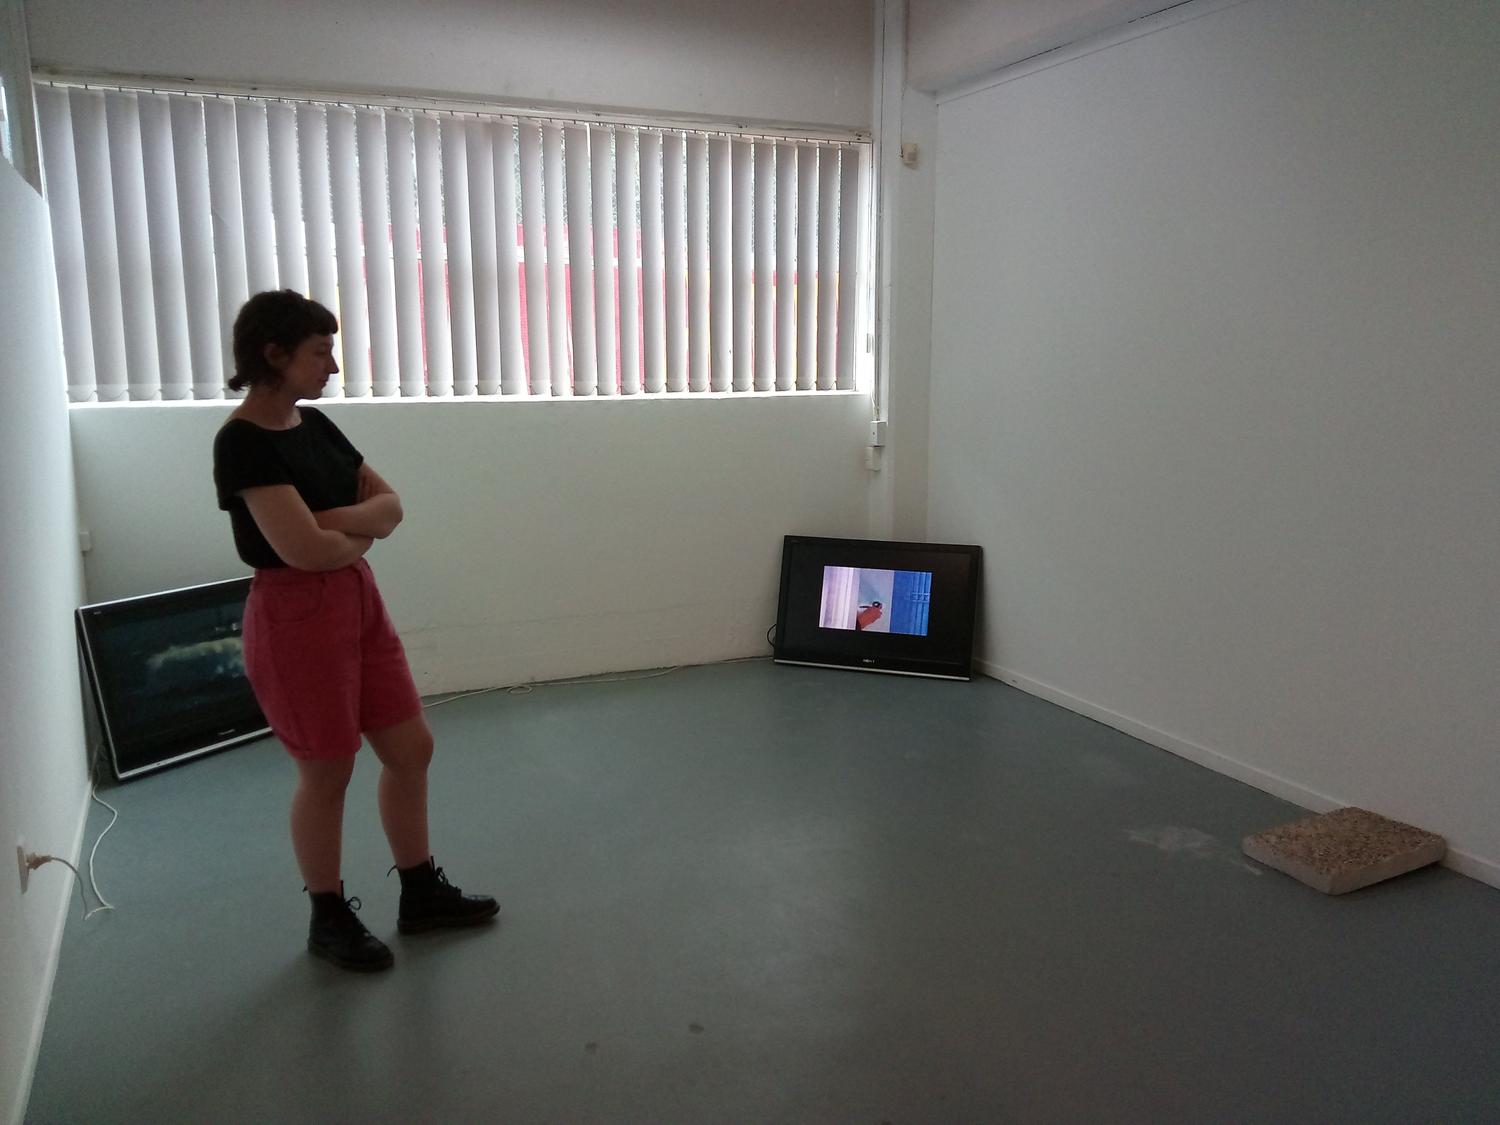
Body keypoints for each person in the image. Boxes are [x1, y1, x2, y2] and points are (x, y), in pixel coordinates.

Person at [212, 290, 497, 972]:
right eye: (319, 352)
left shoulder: (316, 426)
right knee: (328, 769)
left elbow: (391, 508)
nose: (331, 365)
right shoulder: (243, 442)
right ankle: (327, 914)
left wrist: (331, 526)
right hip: (293, 617)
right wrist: (353, 530)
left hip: (357, 604)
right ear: (273, 354)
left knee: (410, 747)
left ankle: (420, 889)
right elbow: (303, 552)